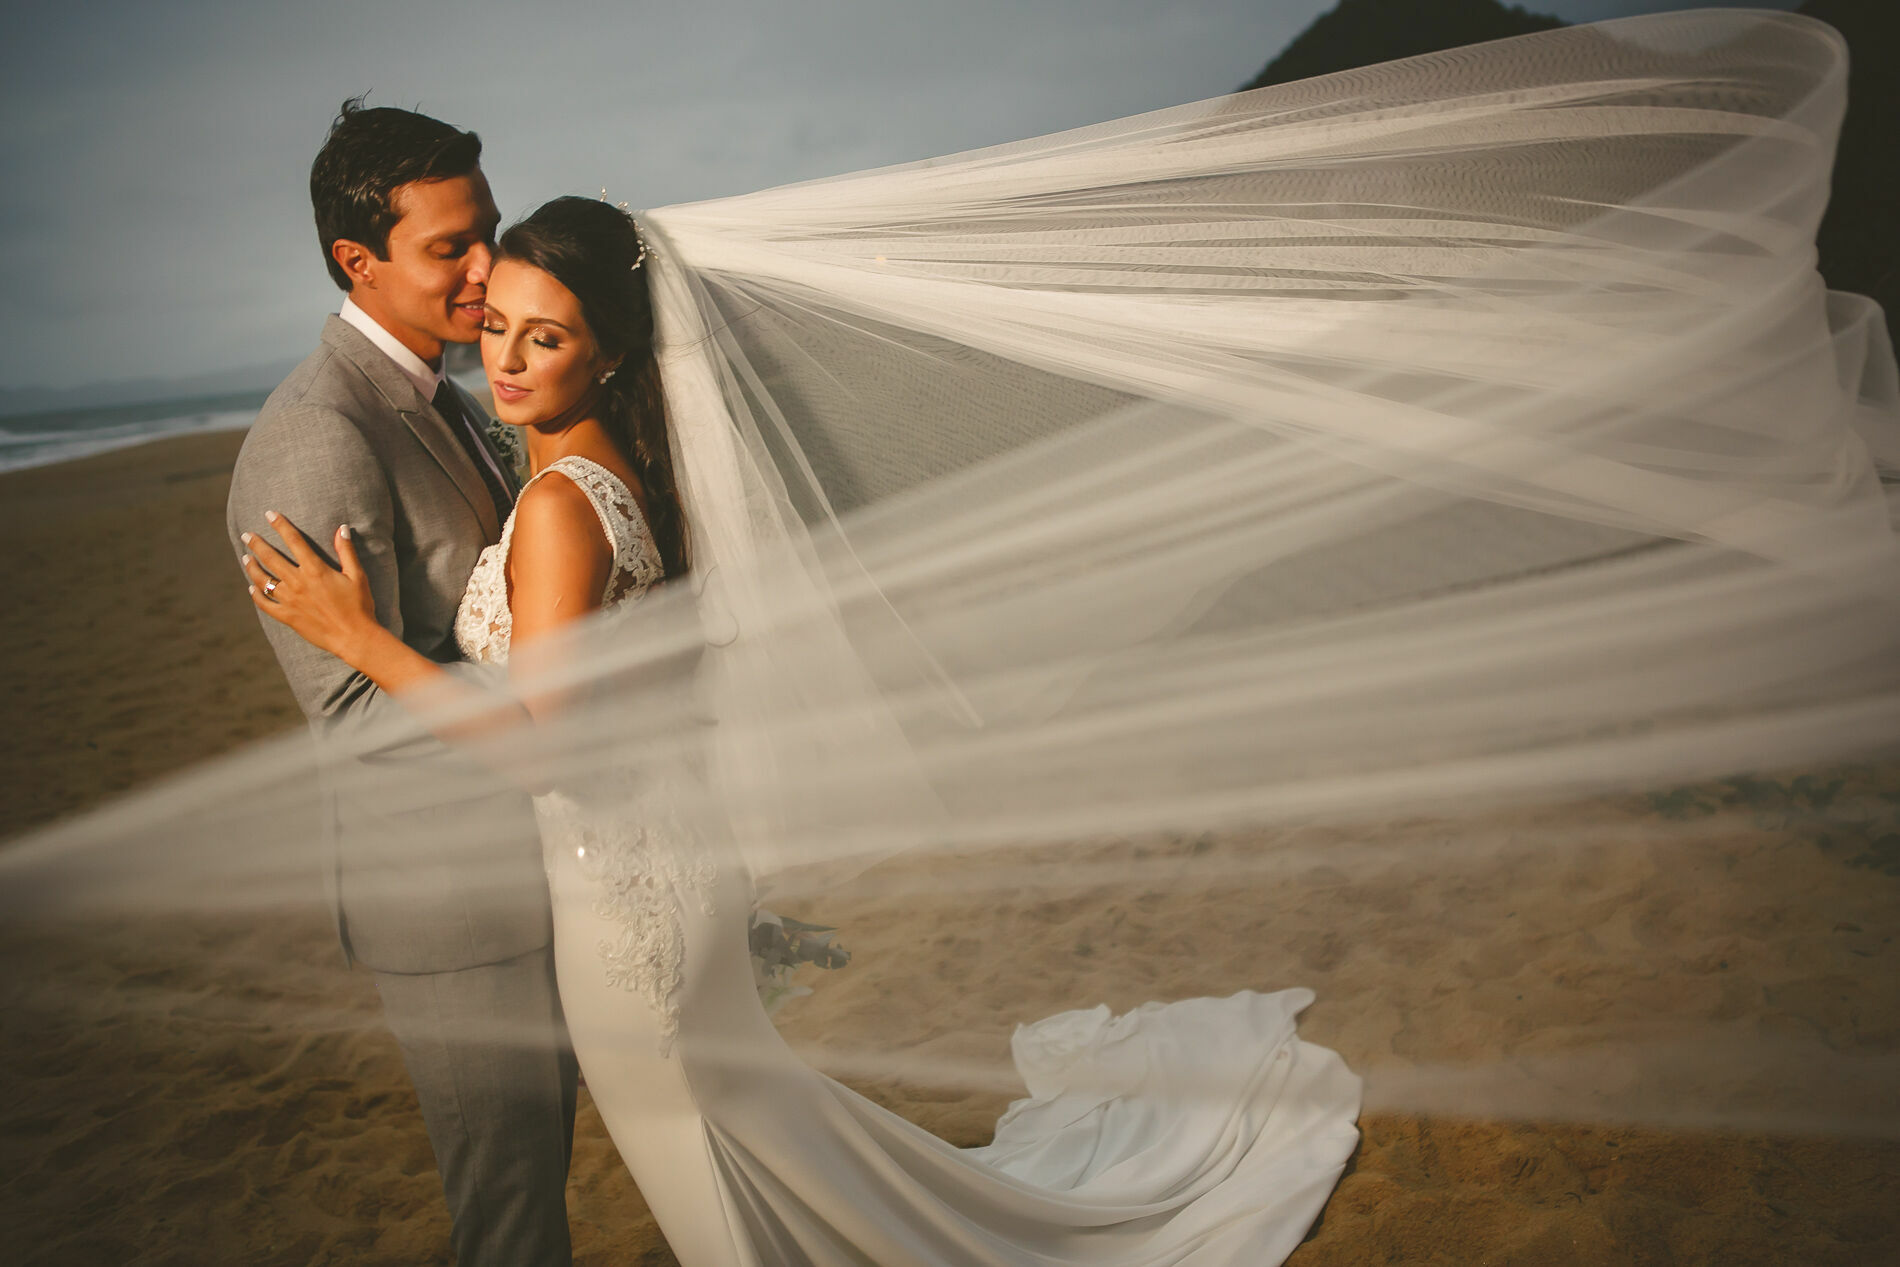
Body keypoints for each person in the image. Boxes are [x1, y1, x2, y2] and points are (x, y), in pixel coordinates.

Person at [241, 194, 1366, 1265]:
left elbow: (543, 745)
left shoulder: (556, 506)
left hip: (622, 903)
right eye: (497, 328)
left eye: (545, 338)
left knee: (701, 1152)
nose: (506, 360)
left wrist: (364, 639)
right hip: (676, 862)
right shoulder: (630, 480)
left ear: (611, 354)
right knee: (755, 1130)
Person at [224, 100, 579, 1267]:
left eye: (485, 230)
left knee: (547, 1178)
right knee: (509, 1213)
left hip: (545, 853)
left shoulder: (456, 395)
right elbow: (355, 711)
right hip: (449, 897)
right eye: (448, 249)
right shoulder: (317, 435)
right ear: (356, 260)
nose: (485, 269)